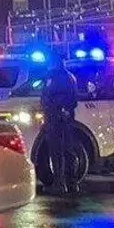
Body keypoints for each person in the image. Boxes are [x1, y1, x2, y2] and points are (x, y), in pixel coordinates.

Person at [40, 57, 79, 195]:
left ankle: (60, 184)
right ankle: (71, 183)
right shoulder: (69, 76)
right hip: (65, 118)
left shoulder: (56, 77)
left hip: (56, 118)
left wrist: (55, 109)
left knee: (57, 152)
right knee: (68, 151)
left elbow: (53, 97)